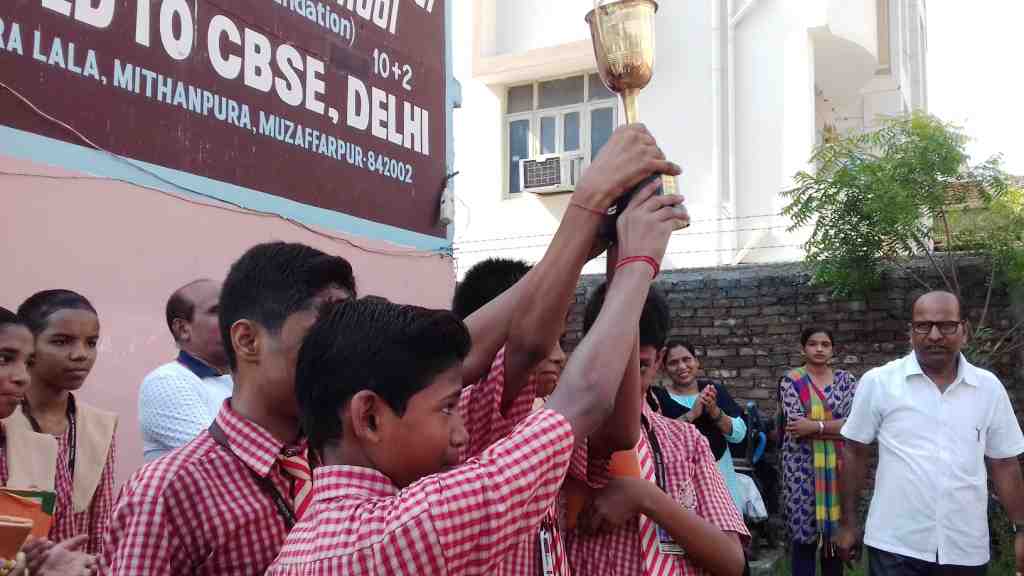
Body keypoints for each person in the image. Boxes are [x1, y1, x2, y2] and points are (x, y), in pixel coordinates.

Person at [266, 168, 687, 574]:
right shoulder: (398, 534)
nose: (462, 432)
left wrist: (592, 234)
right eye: (449, 407)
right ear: (370, 417)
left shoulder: (327, 537)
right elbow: (584, 398)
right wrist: (634, 259)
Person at [442, 126, 678, 576]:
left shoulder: (536, 412)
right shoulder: (466, 414)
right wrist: (595, 209)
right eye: (552, 336)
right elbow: (531, 347)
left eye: (562, 338)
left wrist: (615, 249)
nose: (558, 354)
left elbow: (619, 432)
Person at [104, 242, 356, 575]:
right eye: (322, 335)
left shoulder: (342, 465)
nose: (345, 354)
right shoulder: (169, 493)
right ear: (248, 341)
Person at [564, 282, 748, 576]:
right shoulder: (567, 438)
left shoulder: (687, 442)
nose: (624, 380)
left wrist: (645, 497)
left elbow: (732, 563)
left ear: (658, 361)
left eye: (639, 366)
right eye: (614, 362)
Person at [838, 291, 1024, 575]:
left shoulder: (988, 389)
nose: (934, 335)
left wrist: (1021, 528)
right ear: (911, 332)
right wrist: (848, 523)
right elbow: (854, 451)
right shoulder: (880, 383)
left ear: (965, 330)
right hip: (895, 545)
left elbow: (1004, 463)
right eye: (923, 326)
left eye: (947, 325)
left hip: (965, 547)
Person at [5, 291, 115, 561]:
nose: (80, 355)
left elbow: (100, 523)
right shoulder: (6, 422)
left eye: (91, 343)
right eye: (61, 341)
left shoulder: (98, 424)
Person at [779, 327, 858, 576]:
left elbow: (855, 426)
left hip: (838, 468)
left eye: (825, 344)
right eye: (813, 344)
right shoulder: (791, 380)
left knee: (834, 540)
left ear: (832, 350)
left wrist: (815, 426)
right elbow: (795, 426)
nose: (820, 349)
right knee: (803, 540)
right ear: (803, 349)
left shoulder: (846, 381)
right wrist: (836, 427)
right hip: (800, 470)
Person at [138, 279, 233, 462]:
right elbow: (220, 460)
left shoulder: (241, 380)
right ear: (182, 329)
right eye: (218, 311)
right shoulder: (166, 382)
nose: (233, 318)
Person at [655, 340, 747, 509]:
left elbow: (739, 435)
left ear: (696, 362)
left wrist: (713, 410)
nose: (682, 366)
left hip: (722, 477)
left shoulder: (713, 390)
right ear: (663, 368)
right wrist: (692, 414)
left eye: (686, 359)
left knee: (727, 532)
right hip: (682, 484)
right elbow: (659, 439)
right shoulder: (659, 398)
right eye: (673, 363)